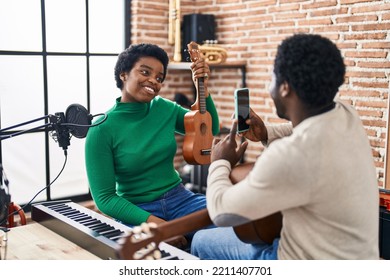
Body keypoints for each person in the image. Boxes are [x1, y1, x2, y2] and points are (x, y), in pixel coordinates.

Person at [191, 33, 379, 259]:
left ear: (285, 88)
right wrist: (266, 132)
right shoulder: (347, 115)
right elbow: (303, 129)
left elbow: (221, 212)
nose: (270, 87)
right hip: (357, 256)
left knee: (201, 240)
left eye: (272, 79)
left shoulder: (290, 155)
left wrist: (219, 161)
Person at [85, 43, 220, 245]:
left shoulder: (164, 108)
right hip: (136, 210)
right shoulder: (101, 129)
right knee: (162, 248)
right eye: (145, 72)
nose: (153, 81)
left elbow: (209, 131)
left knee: (229, 218)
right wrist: (158, 224)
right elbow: (105, 198)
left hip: (181, 199)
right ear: (123, 74)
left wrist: (203, 88)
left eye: (159, 78)